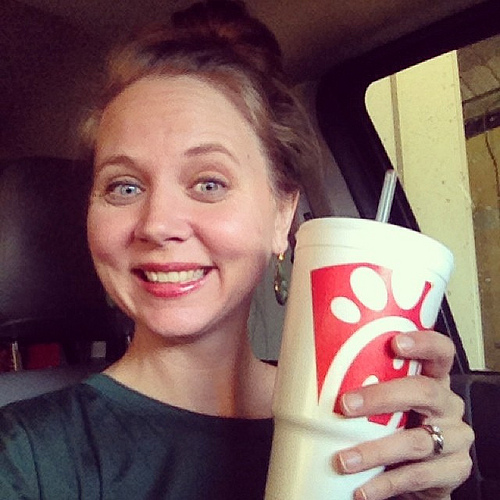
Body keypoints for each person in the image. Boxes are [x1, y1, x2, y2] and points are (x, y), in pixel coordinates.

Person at [0, 1, 473, 499]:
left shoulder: (365, 418)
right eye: (124, 187)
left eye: (208, 183)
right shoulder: (24, 453)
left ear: (281, 215)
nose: (157, 225)